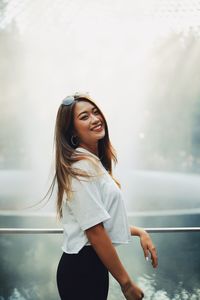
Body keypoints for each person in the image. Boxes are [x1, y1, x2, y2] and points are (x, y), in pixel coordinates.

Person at [51, 93, 158, 300]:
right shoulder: (80, 168)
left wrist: (139, 231)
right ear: (72, 131)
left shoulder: (92, 163)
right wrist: (127, 285)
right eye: (84, 117)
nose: (95, 118)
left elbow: (98, 222)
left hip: (93, 266)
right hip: (81, 271)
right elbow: (94, 231)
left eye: (95, 112)